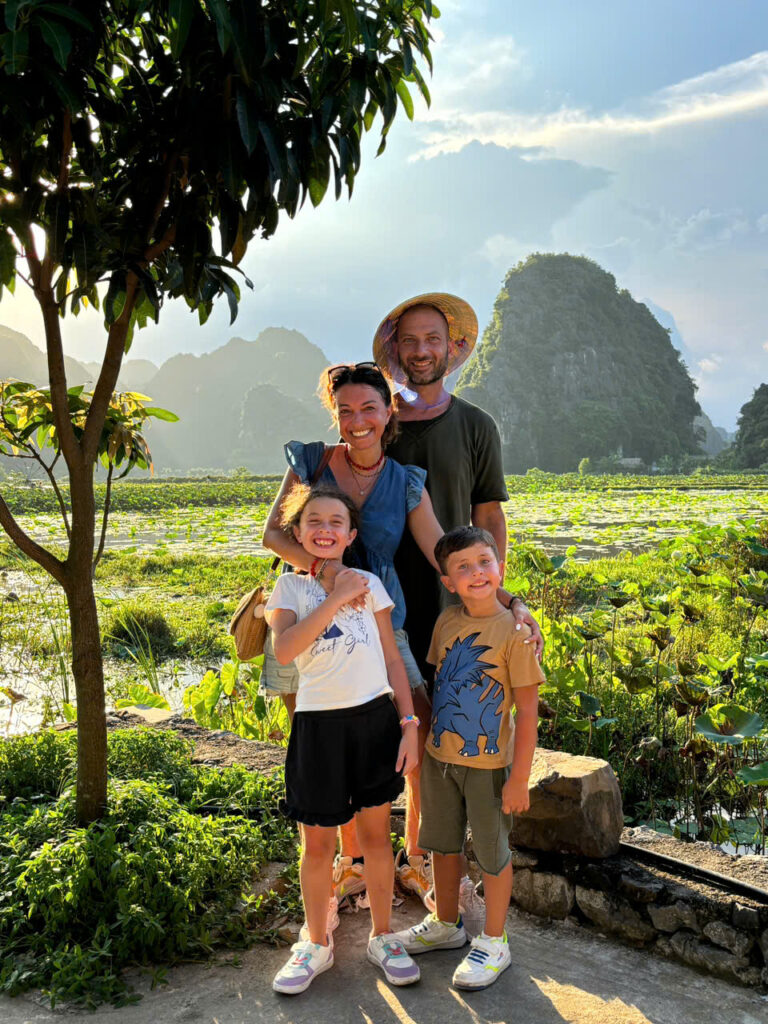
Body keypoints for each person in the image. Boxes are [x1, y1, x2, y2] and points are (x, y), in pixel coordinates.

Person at [372, 293, 544, 900]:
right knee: (379, 721)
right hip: (382, 598)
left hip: (451, 606)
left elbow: (488, 515)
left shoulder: (475, 425)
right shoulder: (376, 420)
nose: (422, 351)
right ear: (395, 351)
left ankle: (419, 856)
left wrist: (496, 597)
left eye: (432, 340)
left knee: (436, 723)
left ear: (453, 347)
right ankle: (361, 858)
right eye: (410, 341)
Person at [261, 362, 444, 909]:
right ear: (334, 415)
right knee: (316, 736)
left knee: (417, 725)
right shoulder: (312, 462)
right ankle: (351, 863)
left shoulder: (405, 482)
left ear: (389, 413)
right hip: (305, 612)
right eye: (345, 410)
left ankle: (414, 856)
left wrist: (502, 598)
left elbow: (441, 552)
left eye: (368, 408)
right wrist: (327, 572)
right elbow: (273, 534)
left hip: (379, 615)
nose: (357, 420)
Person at [266, 483, 422, 995]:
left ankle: (383, 936)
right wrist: (334, 596)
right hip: (318, 727)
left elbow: (392, 660)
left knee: (376, 838)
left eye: (337, 522)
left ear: (351, 534)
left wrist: (408, 724)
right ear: (297, 532)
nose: (325, 529)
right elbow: (286, 650)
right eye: (314, 521)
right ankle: (316, 943)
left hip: (375, 722)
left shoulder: (370, 584)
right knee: (317, 845)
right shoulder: (288, 590)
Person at [392, 526, 544, 990]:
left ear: (501, 567)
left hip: (490, 767)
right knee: (442, 844)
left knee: (493, 853)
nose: (477, 573)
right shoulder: (447, 622)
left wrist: (519, 778)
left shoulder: (515, 633)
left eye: (484, 562)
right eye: (463, 567)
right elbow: (441, 686)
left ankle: (495, 941)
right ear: (448, 582)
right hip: (440, 759)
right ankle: (446, 923)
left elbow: (528, 712)